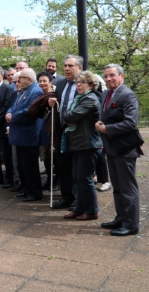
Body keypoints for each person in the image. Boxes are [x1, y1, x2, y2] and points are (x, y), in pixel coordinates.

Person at [95, 64, 141, 236]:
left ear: (122, 76)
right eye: (106, 76)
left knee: (128, 188)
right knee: (118, 187)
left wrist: (108, 129)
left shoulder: (128, 95)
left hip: (125, 148)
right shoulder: (106, 93)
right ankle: (121, 218)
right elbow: (106, 115)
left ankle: (131, 225)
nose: (108, 79)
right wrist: (101, 124)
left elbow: (130, 123)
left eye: (112, 75)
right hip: (111, 147)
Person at [62, 71, 103, 220]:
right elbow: (71, 116)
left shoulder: (90, 99)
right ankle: (79, 208)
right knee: (77, 178)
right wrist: (70, 116)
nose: (78, 85)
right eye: (77, 82)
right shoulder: (80, 98)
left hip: (88, 144)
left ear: (91, 85)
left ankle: (92, 211)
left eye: (82, 82)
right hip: (79, 143)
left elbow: (71, 116)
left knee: (85, 178)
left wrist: (68, 114)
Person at [48, 55, 82, 209]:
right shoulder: (61, 83)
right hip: (63, 131)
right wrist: (52, 102)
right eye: (65, 66)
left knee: (78, 167)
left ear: (79, 68)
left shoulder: (85, 84)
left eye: (71, 66)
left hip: (80, 132)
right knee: (64, 165)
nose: (67, 68)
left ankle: (78, 198)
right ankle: (66, 196)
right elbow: (57, 101)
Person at [6, 68, 44, 201]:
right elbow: (14, 105)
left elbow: (29, 110)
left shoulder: (36, 91)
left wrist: (13, 117)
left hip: (28, 134)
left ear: (28, 79)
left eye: (20, 78)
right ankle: (26, 189)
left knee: (30, 166)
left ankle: (34, 192)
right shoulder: (23, 90)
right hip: (20, 134)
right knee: (22, 165)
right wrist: (9, 112)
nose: (17, 81)